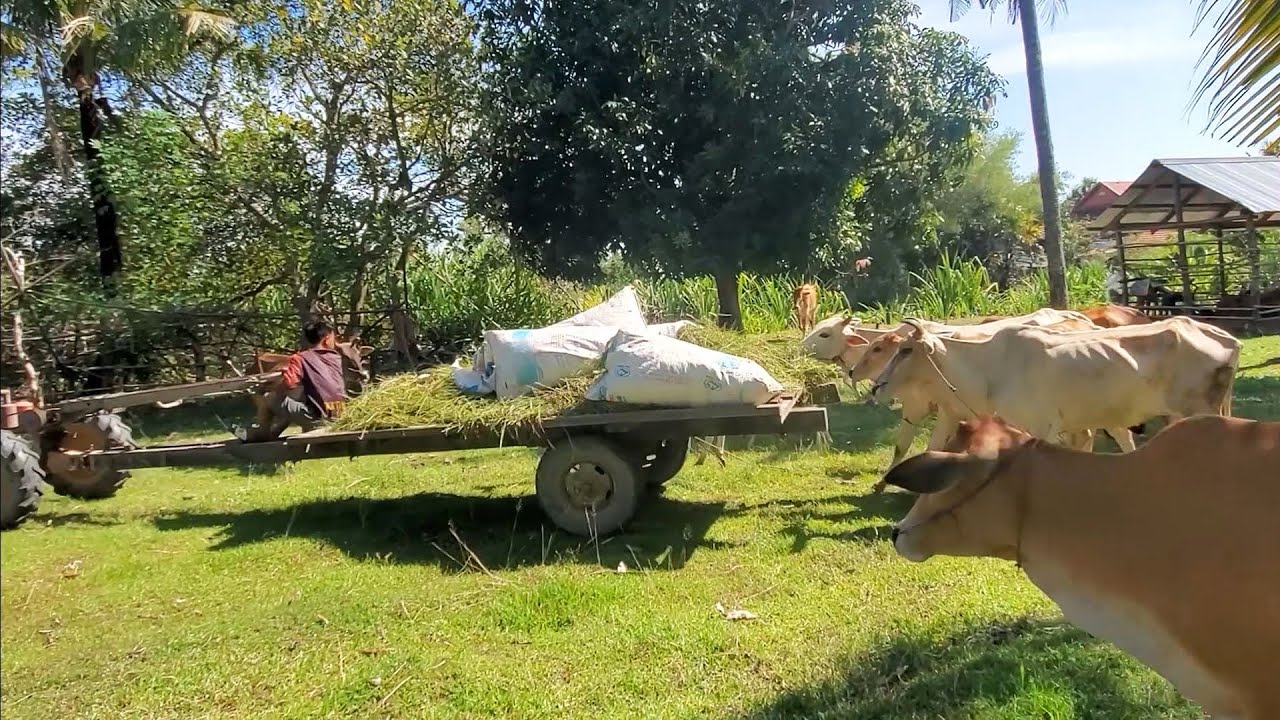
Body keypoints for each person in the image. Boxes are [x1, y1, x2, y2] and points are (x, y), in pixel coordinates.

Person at [237, 321, 348, 442]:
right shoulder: (335, 357)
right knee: (293, 401)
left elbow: (289, 384)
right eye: (333, 337)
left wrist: (275, 385)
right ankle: (275, 431)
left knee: (270, 397)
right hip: (340, 415)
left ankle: (262, 434)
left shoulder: (300, 358)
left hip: (318, 419)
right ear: (327, 339)